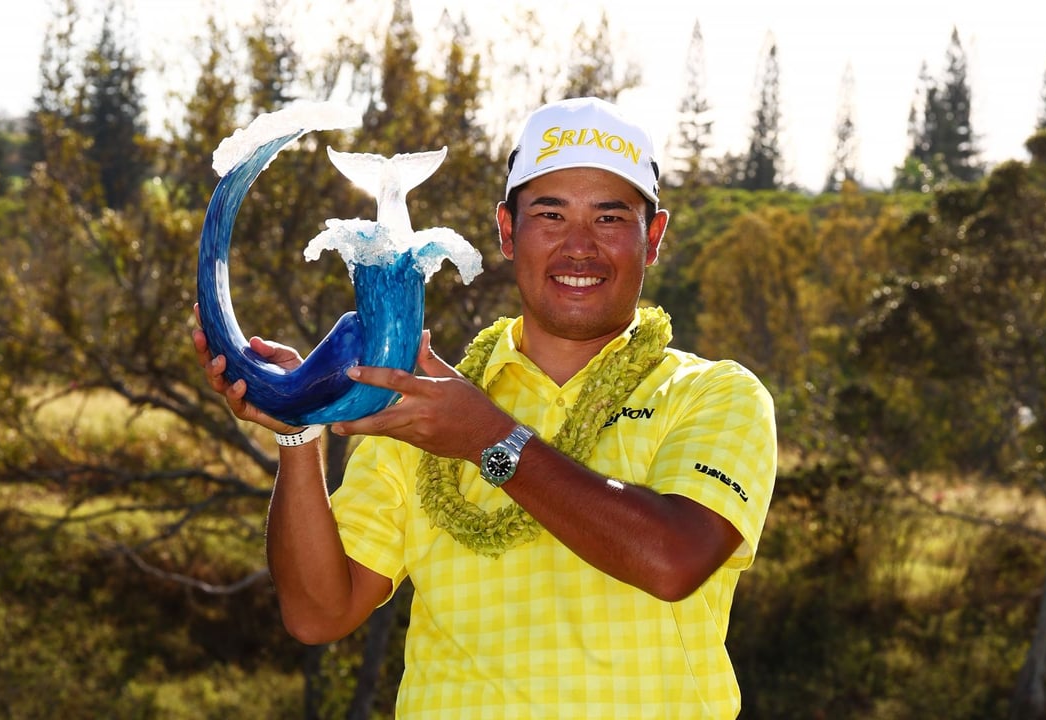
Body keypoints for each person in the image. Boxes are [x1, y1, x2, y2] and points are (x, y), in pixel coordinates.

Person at [193, 96, 777, 718]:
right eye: (550, 216)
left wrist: (487, 438)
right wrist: (298, 433)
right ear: (506, 231)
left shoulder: (715, 394)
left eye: (610, 219)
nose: (579, 248)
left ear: (652, 237)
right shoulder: (422, 401)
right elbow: (318, 612)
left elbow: (672, 560)